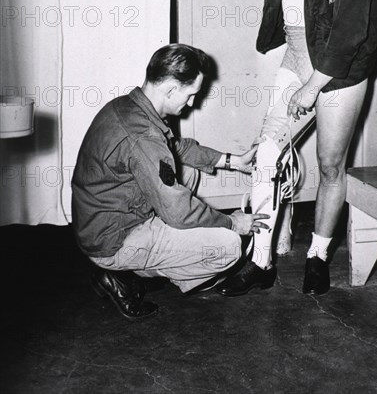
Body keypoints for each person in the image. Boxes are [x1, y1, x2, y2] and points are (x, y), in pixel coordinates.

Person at [217, 0, 377, 297]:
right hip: (297, 50)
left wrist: (311, 88)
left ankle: (318, 257)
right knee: (268, 155)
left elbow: (348, 36)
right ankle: (260, 262)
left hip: (340, 68)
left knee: (330, 164)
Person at [71, 44, 269, 320]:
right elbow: (179, 211)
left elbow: (177, 148)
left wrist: (233, 161)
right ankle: (123, 277)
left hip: (101, 221)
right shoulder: (143, 138)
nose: (191, 104)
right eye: (190, 95)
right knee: (228, 246)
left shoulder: (128, 107)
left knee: (190, 171)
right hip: (114, 241)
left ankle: (151, 258)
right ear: (171, 89)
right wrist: (233, 222)